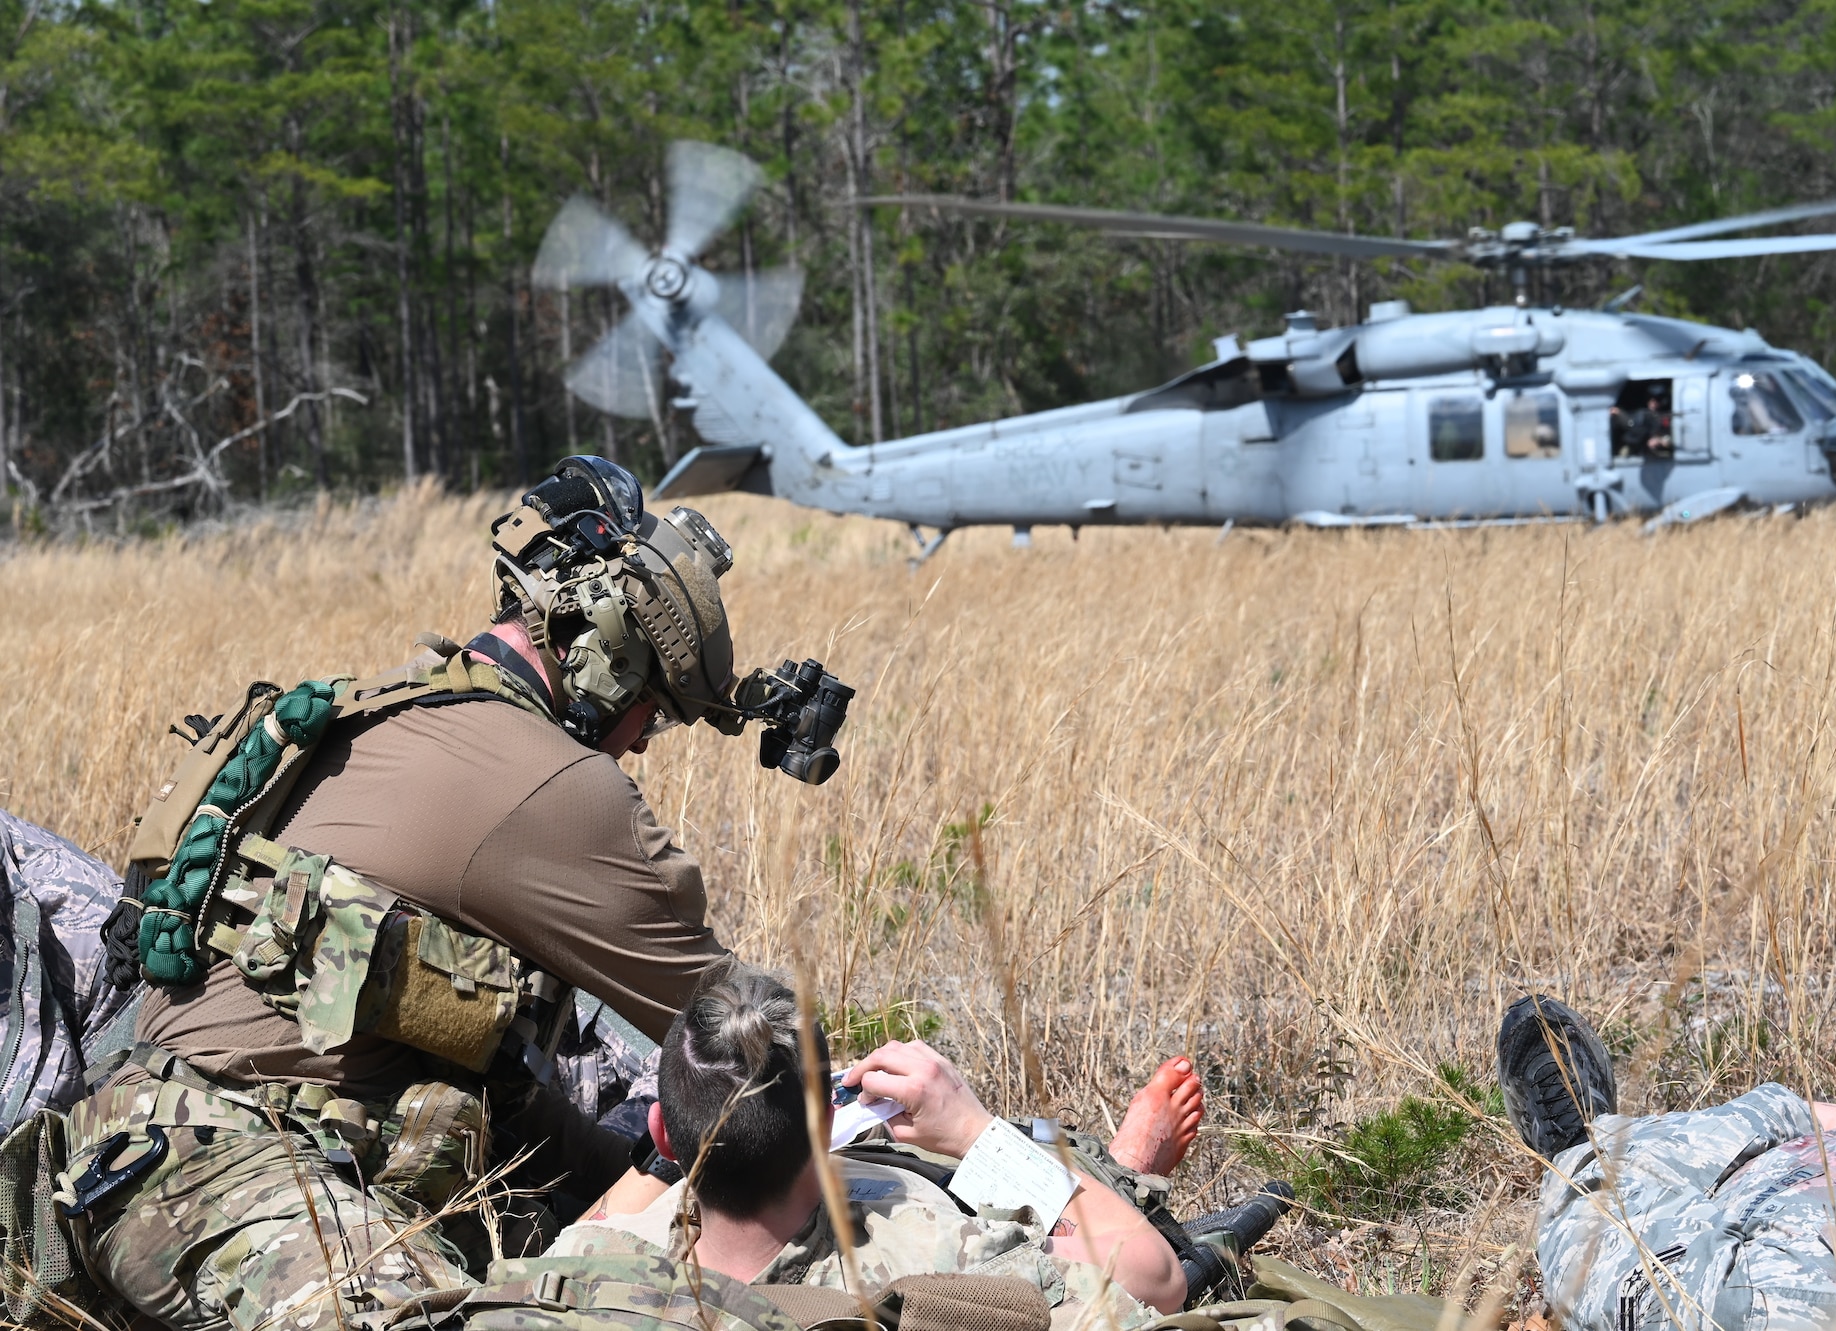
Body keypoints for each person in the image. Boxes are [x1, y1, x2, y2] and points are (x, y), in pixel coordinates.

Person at [56, 457, 842, 1331]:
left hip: (140, 1156)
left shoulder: (389, 706)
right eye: (652, 709)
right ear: (607, 656)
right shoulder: (561, 788)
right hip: (238, 1176)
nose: (646, 742)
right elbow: (746, 1039)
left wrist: (622, 1162)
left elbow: (466, 1070)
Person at [547, 964, 1199, 1328]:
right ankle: (1120, 1165)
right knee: (1042, 1147)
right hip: (914, 1196)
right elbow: (1157, 1275)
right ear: (826, 1123)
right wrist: (976, 1131)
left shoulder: (589, 1260)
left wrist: (687, 1140)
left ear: (662, 1131)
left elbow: (578, 1239)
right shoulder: (938, 1261)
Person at [1500, 993, 1836, 1331]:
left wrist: (1800, 1116)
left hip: (1785, 1173)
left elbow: (1594, 1252)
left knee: (1595, 1173)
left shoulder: (1788, 1305)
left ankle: (1577, 1134)